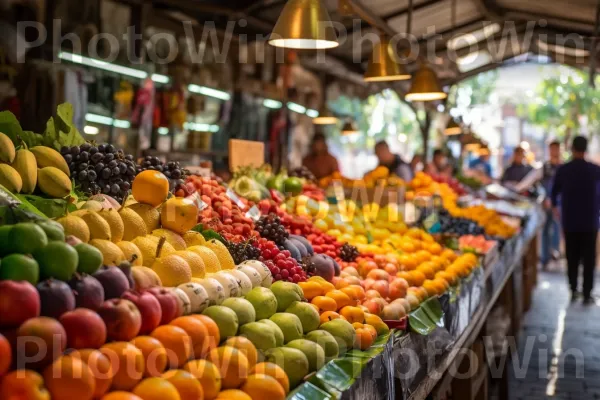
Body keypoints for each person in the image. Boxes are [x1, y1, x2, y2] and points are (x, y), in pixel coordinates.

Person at [551, 136, 600, 304]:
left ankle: (573, 290)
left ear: (572, 149)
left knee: (571, 257)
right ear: (586, 149)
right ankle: (587, 294)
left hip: (570, 221)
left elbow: (553, 194)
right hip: (590, 221)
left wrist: (556, 210)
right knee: (589, 259)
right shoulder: (594, 170)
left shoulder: (563, 170)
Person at [540, 141, 562, 269]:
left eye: (555, 149)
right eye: (551, 149)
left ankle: (555, 252)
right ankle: (545, 257)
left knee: (556, 228)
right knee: (545, 229)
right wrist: (546, 198)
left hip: (558, 203)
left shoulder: (562, 166)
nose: (553, 151)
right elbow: (541, 184)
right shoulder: (545, 167)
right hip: (547, 202)